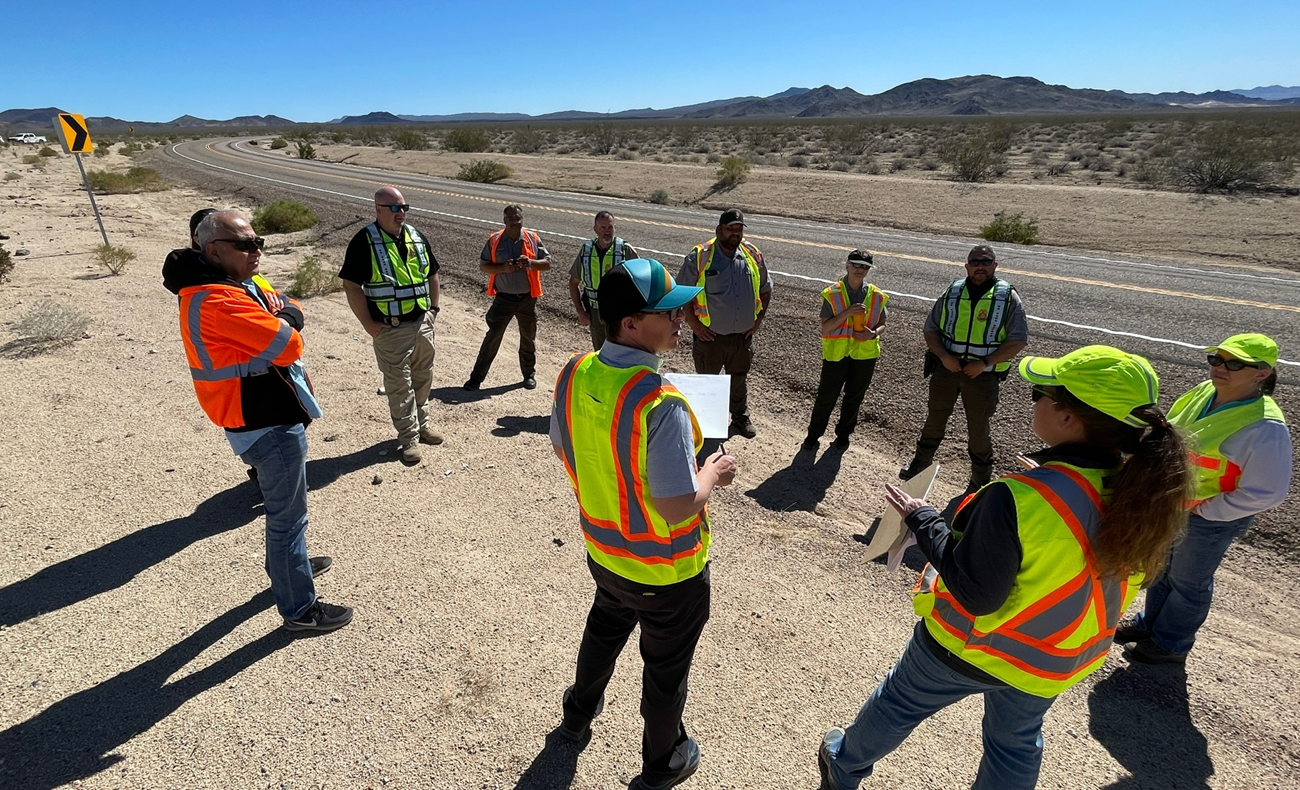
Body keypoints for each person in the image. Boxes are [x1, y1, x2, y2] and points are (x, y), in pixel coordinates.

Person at [818, 345, 1192, 790]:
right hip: (1055, 658)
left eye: (1041, 393)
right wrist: (1051, 477)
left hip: (969, 647)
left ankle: (843, 766)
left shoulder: (1015, 497)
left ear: (1069, 417)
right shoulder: (1140, 492)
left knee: (898, 705)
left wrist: (923, 519)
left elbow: (977, 591)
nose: (1034, 400)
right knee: (1014, 744)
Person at [550, 258, 738, 790]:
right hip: (667, 572)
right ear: (631, 324)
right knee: (665, 671)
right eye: (669, 312)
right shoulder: (663, 403)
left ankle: (576, 716)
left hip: (605, 553)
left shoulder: (572, 372)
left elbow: (564, 448)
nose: (682, 319)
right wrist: (713, 472)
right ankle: (663, 762)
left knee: (603, 630)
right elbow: (679, 505)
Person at [162, 210, 352, 632]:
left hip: (269, 411)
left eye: (258, 241)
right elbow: (288, 343)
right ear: (213, 250)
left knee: (288, 513)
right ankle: (300, 610)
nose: (257, 251)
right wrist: (285, 322)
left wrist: (283, 315)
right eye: (245, 244)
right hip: (264, 420)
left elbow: (286, 304)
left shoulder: (238, 282)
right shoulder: (216, 299)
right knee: (288, 517)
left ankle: (288, 568)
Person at [1117, 333, 1292, 664]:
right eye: (1217, 359)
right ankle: (1150, 625)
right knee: (1164, 569)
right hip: (1174, 505)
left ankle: (1170, 643)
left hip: (1210, 517)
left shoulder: (1265, 427)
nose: (1221, 368)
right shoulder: (1203, 392)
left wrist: (1208, 509)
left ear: (1262, 373)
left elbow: (1269, 491)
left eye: (1235, 363)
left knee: (1188, 582)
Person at [900, 244, 1028, 489]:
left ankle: (980, 481)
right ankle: (920, 463)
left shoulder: (1007, 296)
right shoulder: (953, 291)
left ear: (995, 265)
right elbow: (931, 330)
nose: (980, 266)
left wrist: (985, 363)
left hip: (982, 377)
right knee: (934, 419)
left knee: (978, 430)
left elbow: (1018, 340)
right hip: (947, 371)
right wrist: (944, 356)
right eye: (975, 261)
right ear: (967, 266)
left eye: (986, 261)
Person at [338, 186, 442, 467]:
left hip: (422, 323)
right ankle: (408, 438)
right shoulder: (365, 241)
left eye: (405, 207)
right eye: (395, 208)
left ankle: (423, 425)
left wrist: (434, 309)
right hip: (390, 328)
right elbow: (351, 285)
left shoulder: (416, 236)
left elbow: (432, 274)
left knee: (423, 377)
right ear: (378, 209)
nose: (401, 213)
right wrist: (368, 324)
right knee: (399, 385)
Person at [677, 208, 773, 439]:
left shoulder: (752, 253)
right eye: (730, 229)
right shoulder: (700, 255)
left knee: (739, 379)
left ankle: (740, 417)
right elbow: (683, 293)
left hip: (742, 337)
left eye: (738, 230)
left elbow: (766, 288)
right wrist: (695, 326)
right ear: (719, 230)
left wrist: (758, 320)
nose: (735, 234)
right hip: (711, 338)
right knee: (708, 383)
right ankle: (705, 426)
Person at [803, 250, 889, 452]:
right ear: (847, 266)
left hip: (865, 355)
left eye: (865, 267)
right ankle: (813, 435)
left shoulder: (876, 296)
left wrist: (873, 334)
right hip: (837, 354)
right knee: (827, 396)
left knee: (854, 397)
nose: (860, 270)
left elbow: (882, 323)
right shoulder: (832, 294)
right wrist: (848, 313)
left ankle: (843, 435)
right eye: (856, 265)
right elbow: (827, 326)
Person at [465, 204, 551, 391]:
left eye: (517, 218)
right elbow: (484, 266)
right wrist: (504, 268)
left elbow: (547, 264)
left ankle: (529, 375)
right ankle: (476, 379)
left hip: (528, 299)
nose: (514, 221)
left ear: (522, 219)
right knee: (492, 337)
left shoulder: (532, 238)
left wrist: (531, 263)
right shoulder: (495, 240)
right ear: (504, 220)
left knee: (528, 338)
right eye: (510, 218)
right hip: (504, 299)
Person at [568, 210, 640, 350]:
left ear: (615, 228)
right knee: (600, 352)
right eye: (603, 228)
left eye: (610, 227)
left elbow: (641, 283)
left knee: (621, 351)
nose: (607, 231)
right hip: (595, 312)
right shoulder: (586, 251)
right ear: (595, 229)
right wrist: (581, 312)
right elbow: (573, 283)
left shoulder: (625, 250)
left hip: (619, 312)